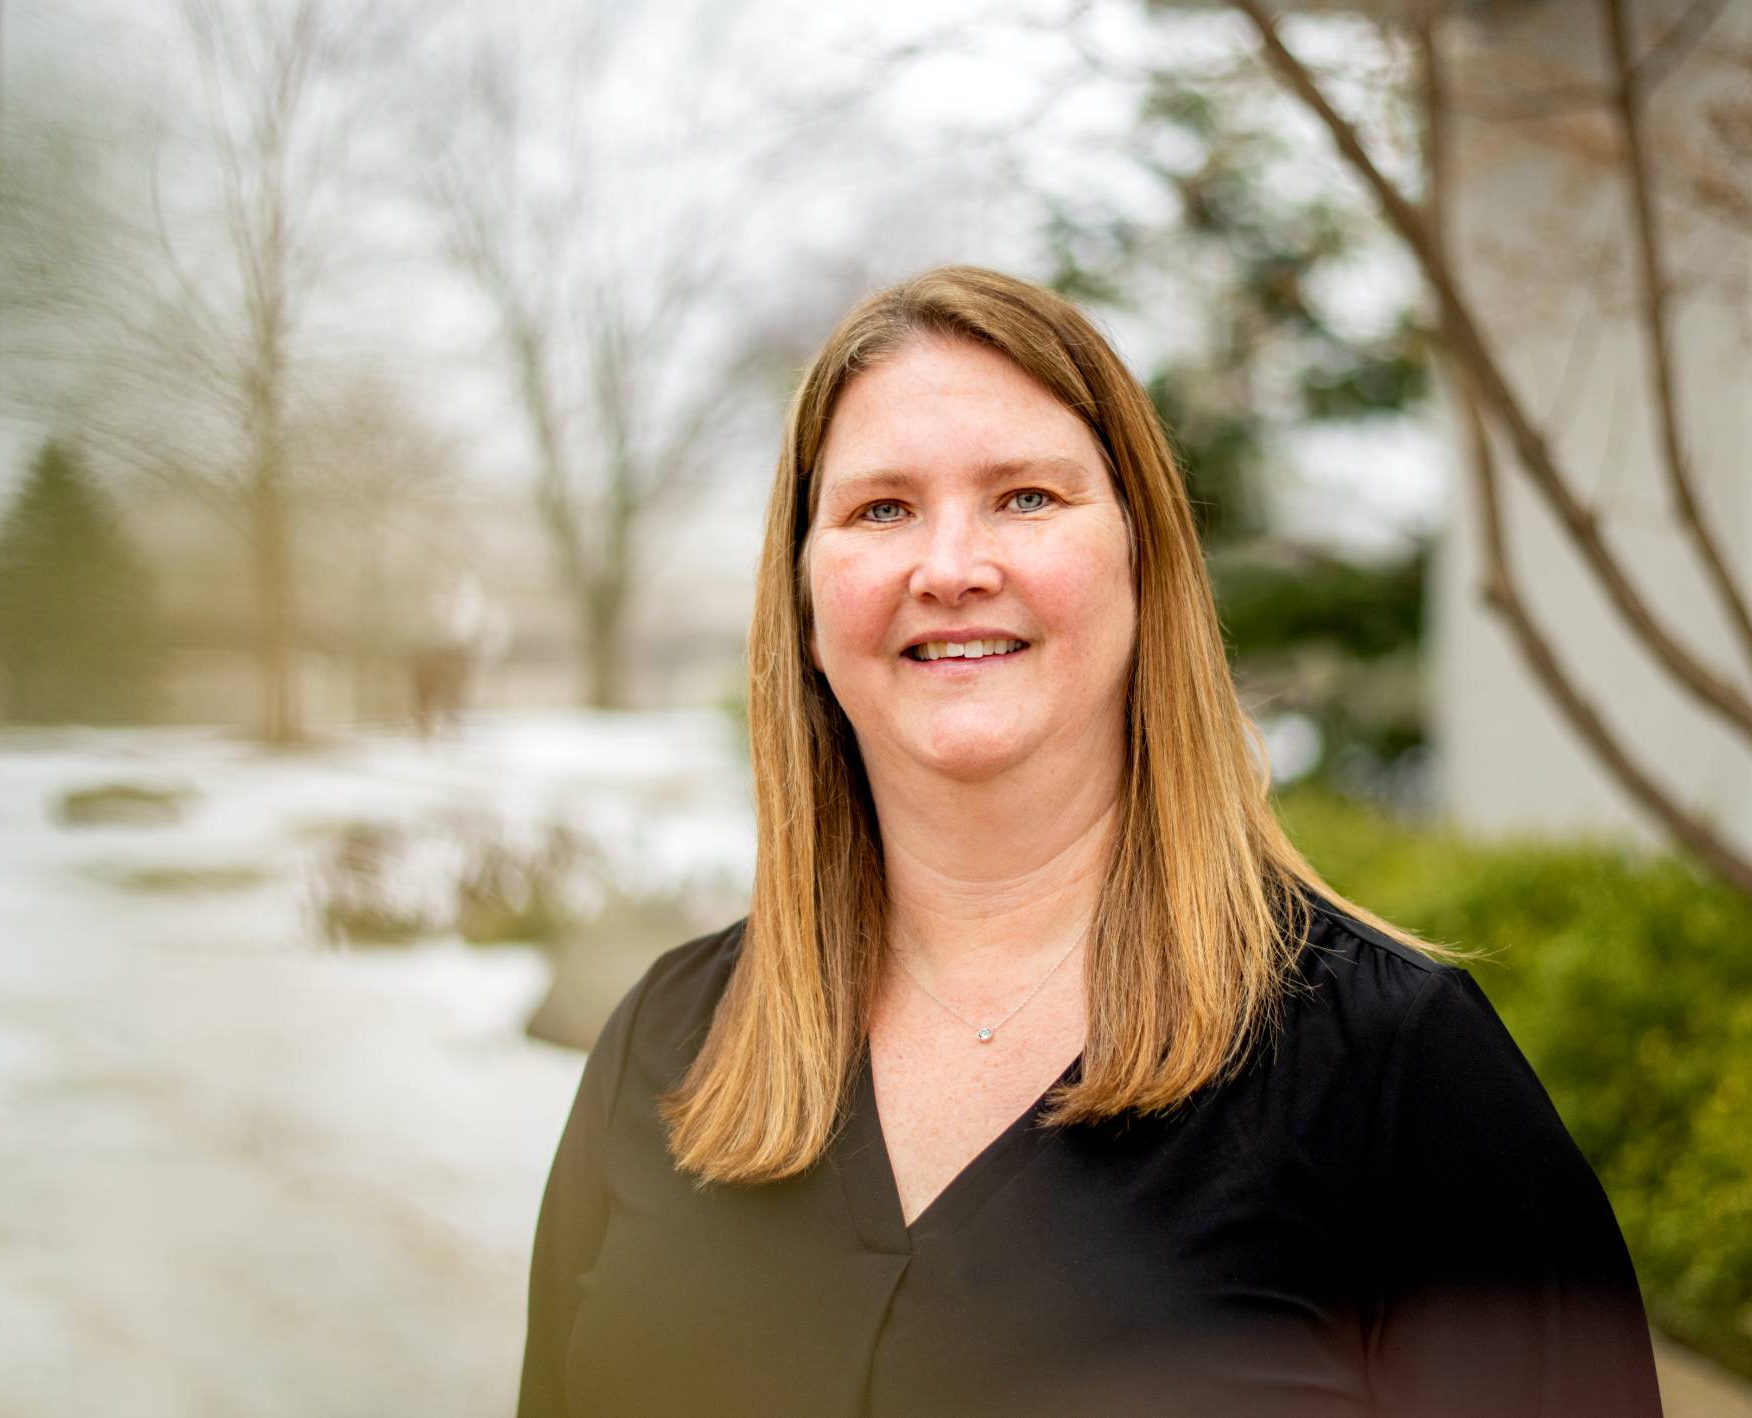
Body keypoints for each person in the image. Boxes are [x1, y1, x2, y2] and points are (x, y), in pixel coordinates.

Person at [517, 266, 1664, 1417]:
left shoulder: (1396, 1070)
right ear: (806, 598)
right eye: (880, 508)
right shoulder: (665, 1049)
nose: (951, 566)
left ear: (1140, 559)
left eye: (1024, 496)